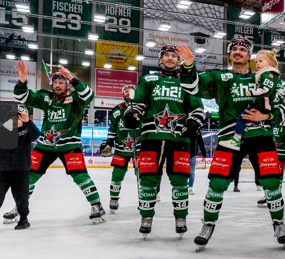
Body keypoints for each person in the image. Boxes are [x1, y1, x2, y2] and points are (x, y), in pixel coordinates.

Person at [177, 38, 285, 250]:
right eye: (234, 50)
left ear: (250, 56)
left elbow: (282, 109)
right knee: (217, 184)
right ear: (230, 55)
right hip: (230, 136)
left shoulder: (263, 76)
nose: (238, 52)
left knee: (271, 183)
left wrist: (265, 115)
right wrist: (189, 64)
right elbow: (191, 87)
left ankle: (279, 224)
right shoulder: (219, 76)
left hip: (261, 133)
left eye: (242, 50)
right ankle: (207, 225)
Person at [8, 62, 106, 224]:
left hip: (70, 145)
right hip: (45, 145)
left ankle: (97, 206)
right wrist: (23, 77)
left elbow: (89, 95)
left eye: (61, 82)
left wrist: (72, 78)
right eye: (55, 82)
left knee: (80, 175)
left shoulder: (75, 98)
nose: (57, 85)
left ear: (67, 85)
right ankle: (20, 207)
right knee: (29, 174)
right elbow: (21, 97)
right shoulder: (47, 97)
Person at [124, 44, 204, 238]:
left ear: (179, 60)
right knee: (149, 180)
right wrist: (132, 113)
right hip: (152, 136)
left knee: (180, 181)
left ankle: (180, 218)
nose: (170, 58)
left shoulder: (187, 81)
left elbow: (197, 107)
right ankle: (146, 217)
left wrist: (194, 122)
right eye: (166, 55)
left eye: (173, 56)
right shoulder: (148, 79)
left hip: (179, 137)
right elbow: (139, 104)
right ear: (160, 59)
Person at [99, 85, 138, 213]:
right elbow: (112, 129)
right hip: (121, 149)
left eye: (130, 91)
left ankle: (144, 200)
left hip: (139, 149)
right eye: (125, 91)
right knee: (117, 175)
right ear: (123, 94)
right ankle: (114, 198)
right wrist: (109, 143)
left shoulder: (143, 108)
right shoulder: (116, 110)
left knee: (142, 175)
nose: (128, 93)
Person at [0, 105, 40, 230]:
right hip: (3, 171)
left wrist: (28, 121)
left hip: (21, 171)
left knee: (22, 198)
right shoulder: (3, 132)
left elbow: (36, 134)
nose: (15, 121)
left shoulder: (27, 133)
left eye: (18, 118)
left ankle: (23, 219)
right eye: (12, 119)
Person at [188, 129, 207, 195]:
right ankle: (183, 187)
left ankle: (190, 188)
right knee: (183, 172)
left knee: (191, 172)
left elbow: (201, 143)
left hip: (192, 155)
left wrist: (204, 155)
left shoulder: (197, 133)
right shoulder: (184, 130)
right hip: (183, 154)